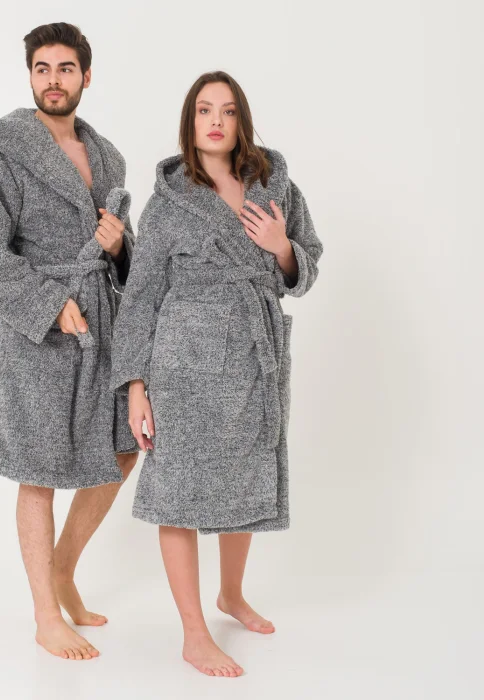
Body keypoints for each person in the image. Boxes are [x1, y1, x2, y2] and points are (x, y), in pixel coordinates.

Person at [109, 71, 324, 677]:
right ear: (190, 121)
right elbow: (141, 298)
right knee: (177, 492)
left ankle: (231, 594)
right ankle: (194, 632)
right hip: (182, 363)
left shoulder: (275, 186)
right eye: (205, 110)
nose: (216, 121)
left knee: (246, 475)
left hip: (255, 357)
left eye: (227, 111)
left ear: (240, 121)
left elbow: (307, 263)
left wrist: (282, 247)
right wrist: (135, 387)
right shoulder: (170, 201)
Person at [0, 22, 139, 661]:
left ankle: (63, 569)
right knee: (38, 472)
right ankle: (45, 615)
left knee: (125, 447)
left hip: (102, 323)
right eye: (42, 68)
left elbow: (124, 250)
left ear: (86, 76)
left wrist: (120, 248)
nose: (53, 80)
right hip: (34, 332)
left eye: (65, 68)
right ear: (30, 75)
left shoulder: (108, 155)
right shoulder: (0, 148)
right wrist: (48, 304)